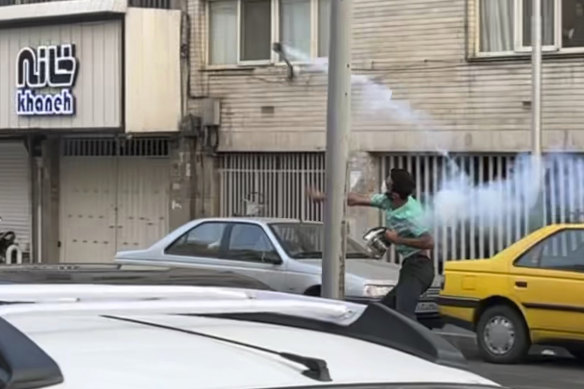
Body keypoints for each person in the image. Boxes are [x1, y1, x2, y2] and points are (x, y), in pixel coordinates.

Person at [308, 168, 435, 321]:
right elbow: (354, 199)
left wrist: (397, 240)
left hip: (419, 268)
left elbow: (429, 242)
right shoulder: (387, 201)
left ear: (395, 194)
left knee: (404, 315)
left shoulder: (412, 214)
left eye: (388, 183)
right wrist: (322, 197)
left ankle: (413, 345)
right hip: (409, 266)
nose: (384, 184)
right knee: (382, 313)